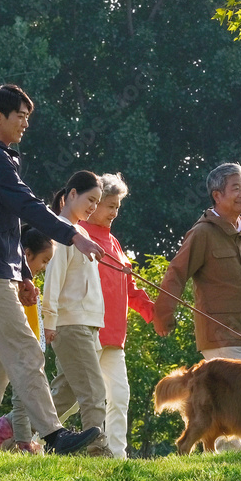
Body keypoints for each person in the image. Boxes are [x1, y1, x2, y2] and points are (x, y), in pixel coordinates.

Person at [0, 84, 105, 455]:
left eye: (27, 117)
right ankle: (54, 435)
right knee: (26, 351)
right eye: (19, 116)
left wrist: (23, 273)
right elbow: (28, 207)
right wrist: (74, 235)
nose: (25, 123)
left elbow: (9, 225)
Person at [152, 162, 241, 361]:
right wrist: (162, 315)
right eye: (236, 188)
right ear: (217, 195)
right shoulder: (202, 233)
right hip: (221, 341)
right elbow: (176, 273)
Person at [76, 173, 156, 459]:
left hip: (114, 337)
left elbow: (131, 290)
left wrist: (154, 313)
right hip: (85, 331)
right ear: (93, 203)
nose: (113, 212)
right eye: (109, 205)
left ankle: (117, 456)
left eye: (117, 207)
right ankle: (34, 438)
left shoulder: (115, 243)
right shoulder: (77, 236)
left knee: (120, 397)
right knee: (75, 397)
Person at [43, 171, 114, 458]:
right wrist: (49, 322)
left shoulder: (81, 234)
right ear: (71, 194)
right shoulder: (62, 232)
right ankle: (97, 451)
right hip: (70, 325)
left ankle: (12, 434)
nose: (93, 207)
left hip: (86, 325)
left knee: (65, 395)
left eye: (98, 202)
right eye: (90, 200)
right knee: (95, 392)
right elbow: (53, 280)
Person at [0, 227, 53, 454]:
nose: (43, 268)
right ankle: (23, 443)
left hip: (31, 347)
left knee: (27, 398)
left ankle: (12, 436)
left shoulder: (28, 285)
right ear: (26, 255)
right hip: (19, 350)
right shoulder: (11, 286)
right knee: (22, 397)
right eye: (43, 261)